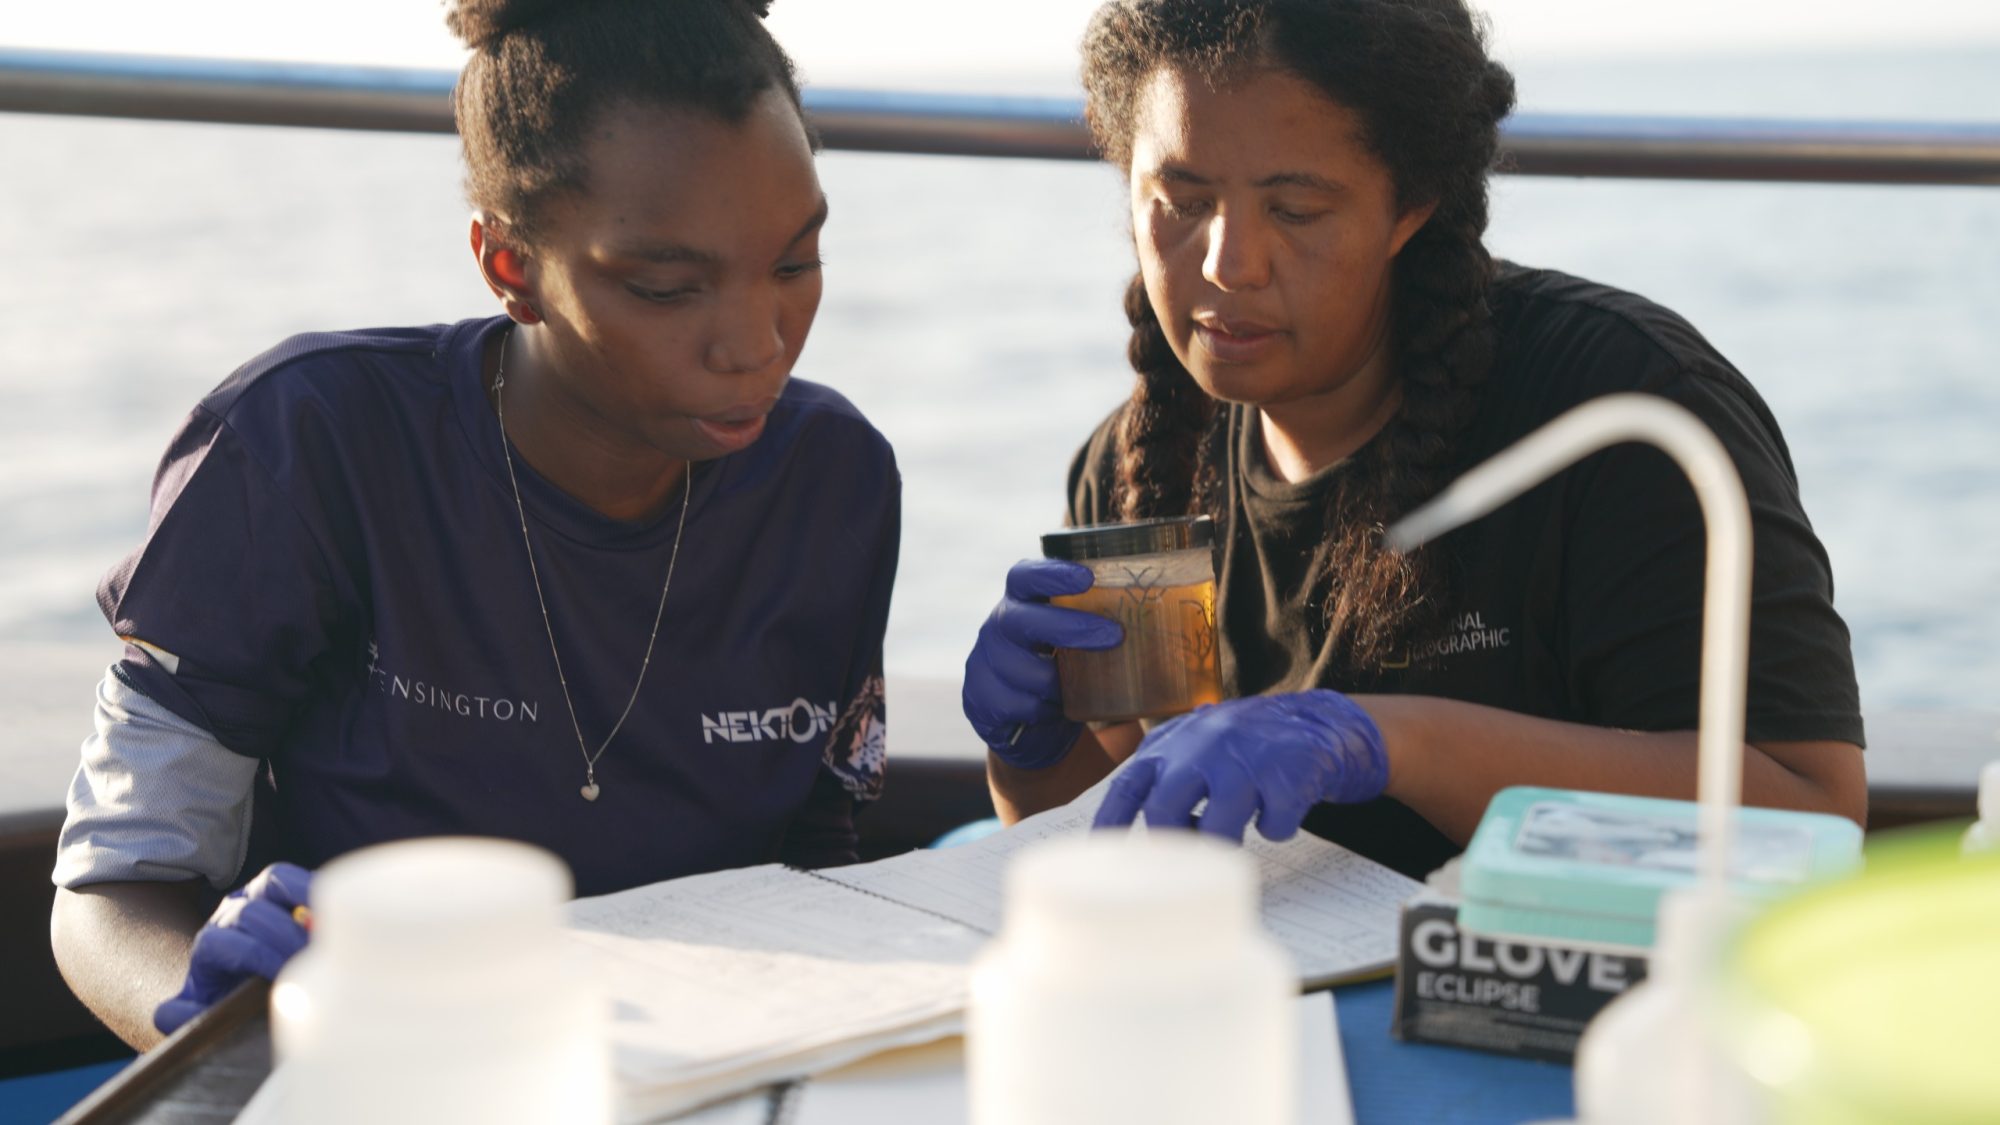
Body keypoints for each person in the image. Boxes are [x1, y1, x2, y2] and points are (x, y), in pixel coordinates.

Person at [51, 0, 898, 1049]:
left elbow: (818, 860)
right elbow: (115, 889)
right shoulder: (306, 444)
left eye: (794, 263)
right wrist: (212, 1019)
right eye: (669, 288)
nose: (759, 345)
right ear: (510, 267)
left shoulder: (834, 480)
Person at [963, 0, 1865, 878]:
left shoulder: (1623, 415)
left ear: (1411, 205)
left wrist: (1392, 740)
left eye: (1296, 211)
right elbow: (1097, 840)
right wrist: (1032, 745)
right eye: (1182, 199)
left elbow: (1813, 818)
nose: (1227, 262)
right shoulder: (1136, 462)